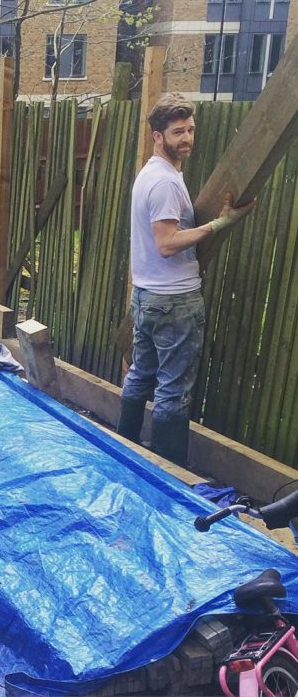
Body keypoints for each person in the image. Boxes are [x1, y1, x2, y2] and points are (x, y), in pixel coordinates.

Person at [117, 93, 255, 465]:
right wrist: (219, 224)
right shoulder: (164, 183)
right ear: (157, 137)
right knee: (173, 391)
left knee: (140, 373)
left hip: (148, 296)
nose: (187, 138)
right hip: (174, 301)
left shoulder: (153, 174)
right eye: (178, 132)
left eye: (190, 130)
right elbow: (166, 244)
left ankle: (123, 447)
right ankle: (167, 472)